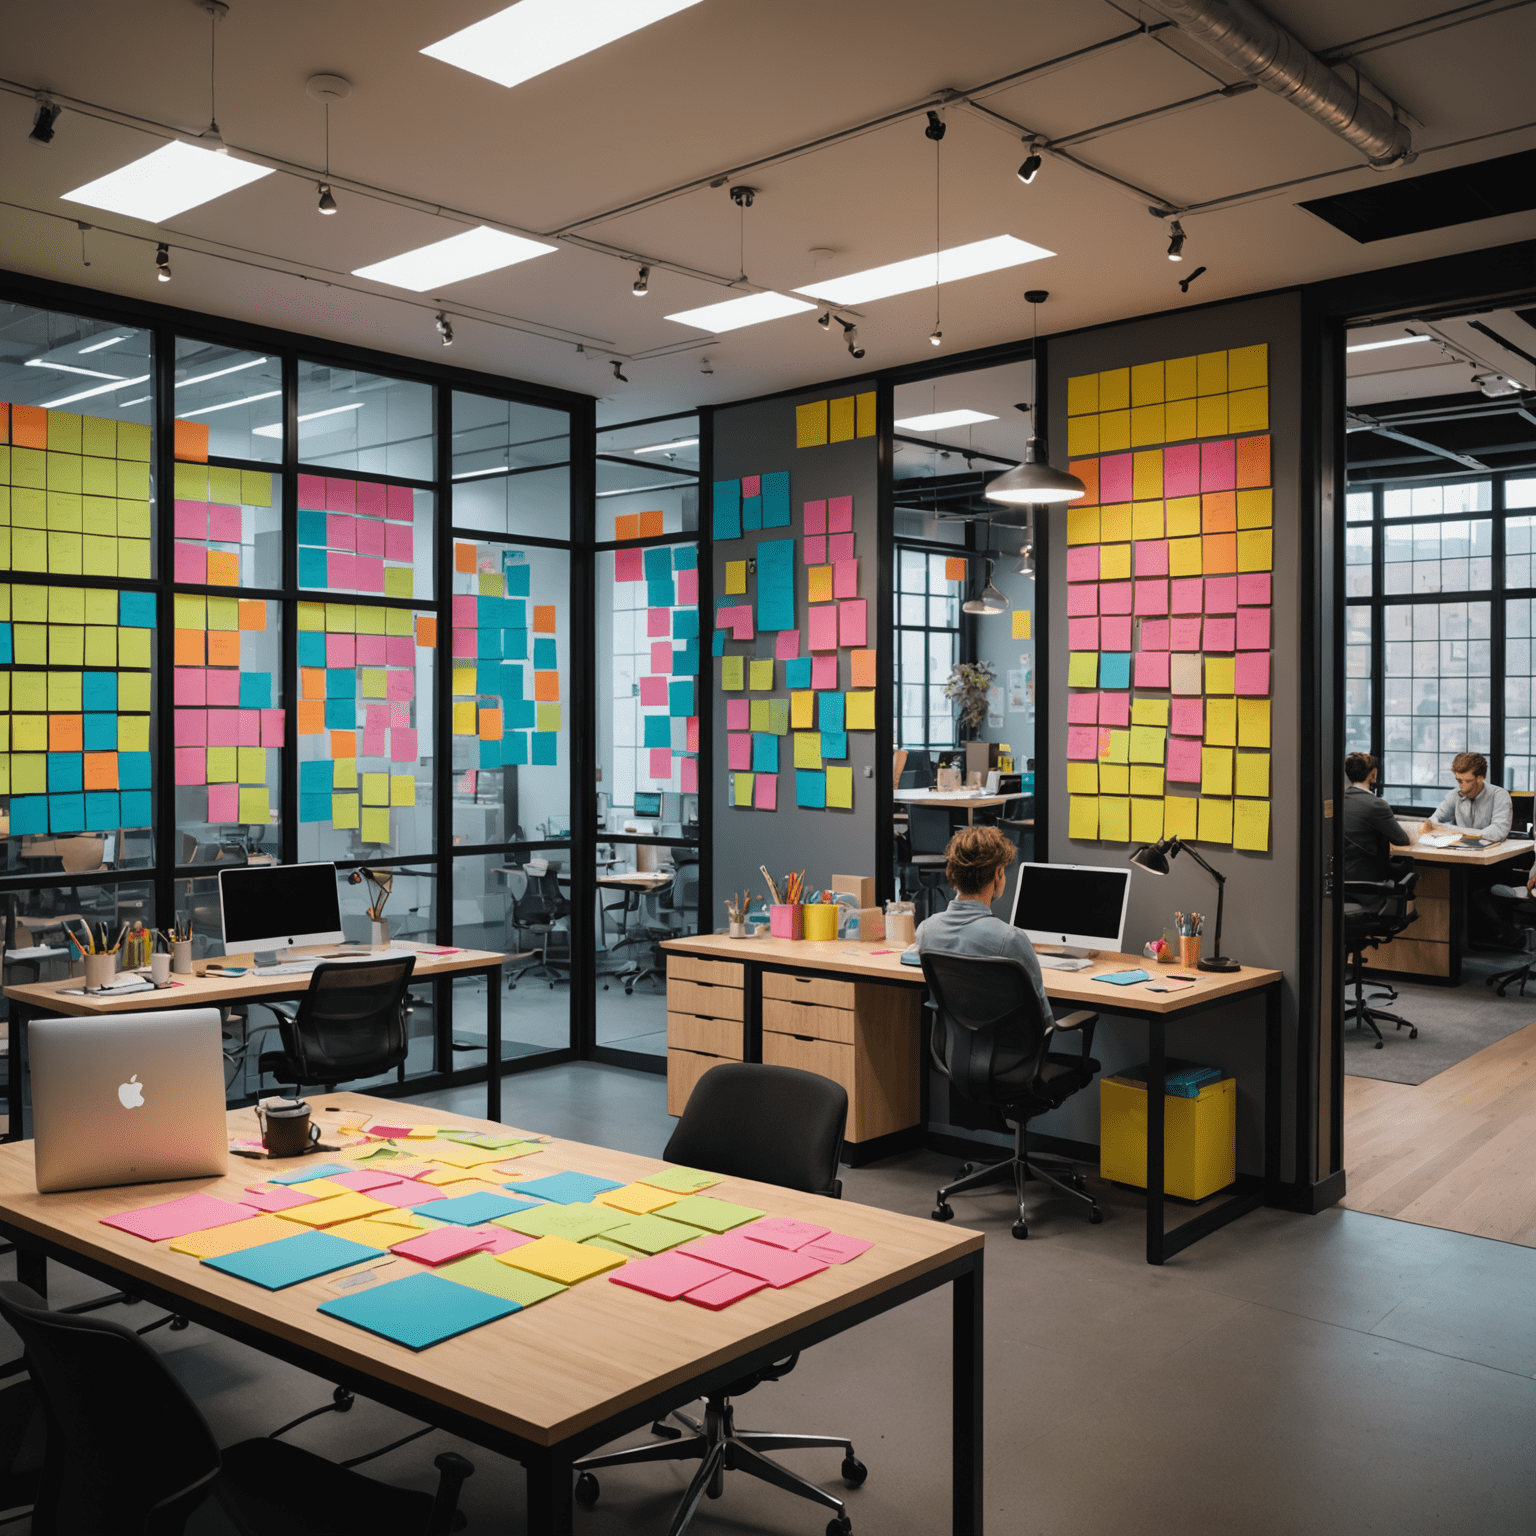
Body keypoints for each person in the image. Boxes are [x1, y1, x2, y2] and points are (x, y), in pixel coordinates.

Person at [914, 825, 1052, 1027]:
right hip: (1010, 1053)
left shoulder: (927, 931)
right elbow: (1043, 1017)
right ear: (998, 874)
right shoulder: (1010, 939)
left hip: (952, 1050)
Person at [1342, 752, 1410, 887]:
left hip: (1343, 882)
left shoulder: (1338, 800)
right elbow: (1402, 840)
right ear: (1373, 773)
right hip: (1371, 884)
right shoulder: (1376, 805)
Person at [1420, 752, 1512, 844]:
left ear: (1480, 778)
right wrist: (1430, 824)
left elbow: (1499, 829)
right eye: (1459, 781)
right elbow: (1436, 819)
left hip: (1492, 851)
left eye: (1468, 781)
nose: (1462, 786)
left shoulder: (1499, 795)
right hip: (1460, 849)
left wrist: (1466, 834)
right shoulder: (1454, 795)